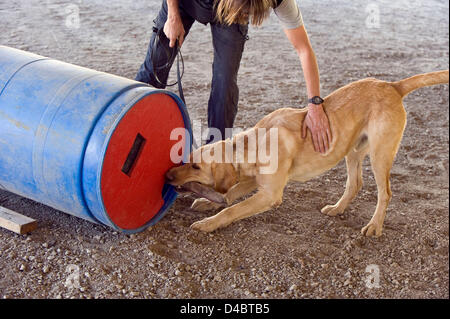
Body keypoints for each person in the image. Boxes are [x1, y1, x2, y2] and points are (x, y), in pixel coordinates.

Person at [136, 0, 332, 153]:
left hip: (232, 14)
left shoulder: (278, 2)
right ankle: (128, 126)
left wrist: (315, 104)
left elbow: (304, 49)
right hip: (186, 3)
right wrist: (172, 15)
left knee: (225, 82)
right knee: (155, 66)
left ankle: (215, 155)